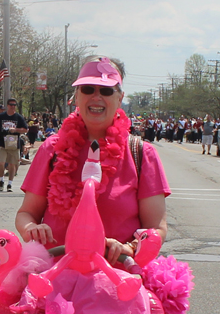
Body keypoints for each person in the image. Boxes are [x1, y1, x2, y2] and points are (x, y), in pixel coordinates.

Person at [16, 56, 168, 266]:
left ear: (120, 97)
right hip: (55, 282)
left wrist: (130, 247)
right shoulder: (52, 149)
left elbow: (156, 228)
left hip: (118, 283)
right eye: (88, 89)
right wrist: (30, 228)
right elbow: (26, 213)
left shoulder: (141, 153)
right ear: (77, 97)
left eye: (106, 91)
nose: (96, 97)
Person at [0, 98, 27, 192]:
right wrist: (1, 131)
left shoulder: (18, 117)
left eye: (14, 105)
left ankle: (10, 184)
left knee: (12, 164)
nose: (13, 106)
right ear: (7, 105)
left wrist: (16, 130)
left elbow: (25, 129)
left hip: (14, 143)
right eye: (11, 104)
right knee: (1, 162)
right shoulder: (1, 116)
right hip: (2, 143)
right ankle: (1, 180)